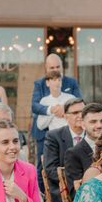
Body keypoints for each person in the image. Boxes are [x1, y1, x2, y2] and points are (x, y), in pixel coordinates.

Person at [31, 54, 81, 191]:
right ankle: (44, 195)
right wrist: (52, 109)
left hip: (69, 133)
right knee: (44, 166)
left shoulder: (71, 83)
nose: (55, 70)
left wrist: (64, 109)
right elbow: (35, 106)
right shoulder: (39, 84)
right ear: (46, 68)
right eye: (52, 67)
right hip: (45, 134)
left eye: (58, 67)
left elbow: (79, 102)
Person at [43, 98, 85, 202]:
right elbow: (50, 170)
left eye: (83, 111)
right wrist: (76, 181)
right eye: (75, 113)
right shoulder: (54, 136)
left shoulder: (93, 136)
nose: (80, 115)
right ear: (66, 117)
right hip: (63, 187)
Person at [63, 103, 102, 195]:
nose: (99, 125)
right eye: (93, 122)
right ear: (83, 125)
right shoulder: (73, 153)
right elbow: (75, 193)